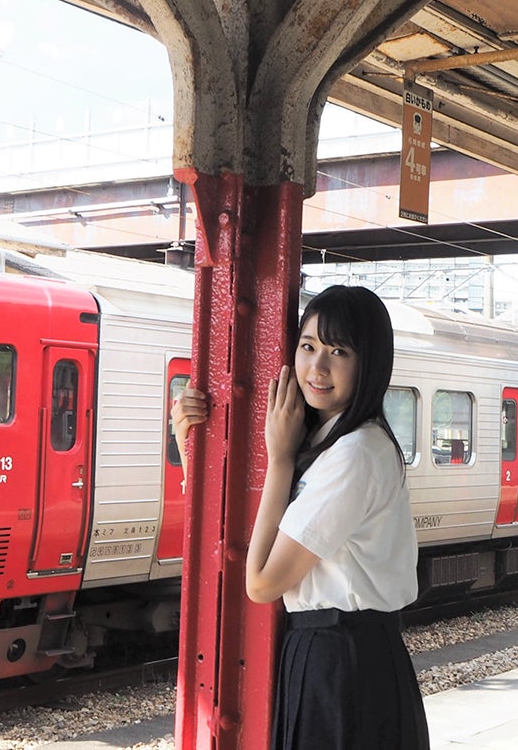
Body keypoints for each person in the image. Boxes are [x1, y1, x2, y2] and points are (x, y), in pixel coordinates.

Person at [172, 285, 427, 750]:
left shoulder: (356, 453)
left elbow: (262, 583)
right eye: (308, 347)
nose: (317, 367)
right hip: (338, 656)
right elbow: (238, 523)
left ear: (368, 364)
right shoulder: (331, 443)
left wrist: (280, 459)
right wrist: (190, 443)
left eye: (339, 351)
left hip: (342, 663)